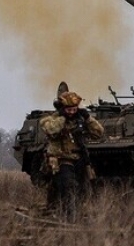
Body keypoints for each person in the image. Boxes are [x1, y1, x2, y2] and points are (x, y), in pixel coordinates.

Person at [39, 91, 104, 222]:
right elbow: (51, 129)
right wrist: (62, 118)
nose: (71, 112)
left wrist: (88, 118)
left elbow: (99, 133)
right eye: (68, 109)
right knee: (68, 187)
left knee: (81, 189)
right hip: (61, 159)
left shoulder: (80, 119)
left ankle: (75, 215)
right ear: (62, 108)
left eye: (74, 109)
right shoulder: (50, 119)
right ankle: (68, 217)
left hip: (80, 159)